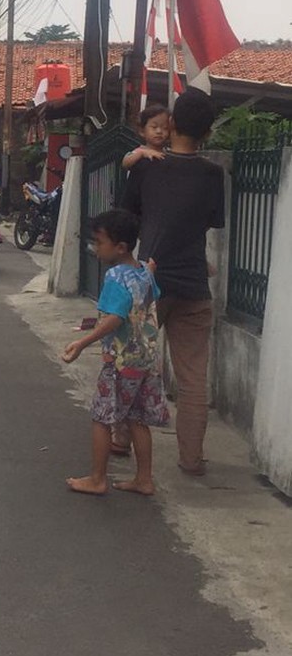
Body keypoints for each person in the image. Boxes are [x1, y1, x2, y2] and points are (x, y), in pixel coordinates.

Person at [121, 86, 225, 475]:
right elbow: (210, 222)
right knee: (193, 379)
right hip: (195, 286)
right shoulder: (214, 174)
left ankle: (119, 438)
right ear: (208, 133)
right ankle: (191, 458)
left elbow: (127, 217)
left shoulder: (147, 166)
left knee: (132, 362)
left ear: (172, 123)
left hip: (150, 281)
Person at [62, 208, 169, 497]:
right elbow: (151, 298)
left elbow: (114, 318)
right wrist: (150, 272)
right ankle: (144, 479)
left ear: (120, 247)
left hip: (119, 362)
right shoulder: (143, 272)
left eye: (99, 242)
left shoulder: (115, 277)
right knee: (137, 419)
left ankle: (97, 478)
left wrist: (83, 342)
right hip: (146, 359)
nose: (95, 248)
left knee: (101, 416)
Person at [121, 103, 170, 170]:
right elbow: (125, 163)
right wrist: (142, 153)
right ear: (142, 131)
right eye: (154, 127)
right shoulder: (140, 151)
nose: (159, 131)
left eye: (165, 128)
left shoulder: (168, 152)